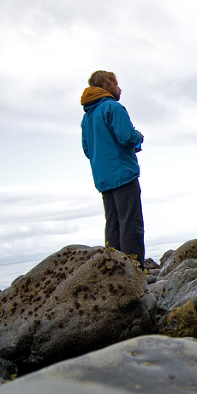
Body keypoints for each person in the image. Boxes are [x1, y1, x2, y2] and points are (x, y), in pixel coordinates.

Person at [80, 70, 145, 266]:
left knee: (113, 224)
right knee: (131, 224)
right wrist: (138, 137)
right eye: (116, 84)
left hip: (104, 179)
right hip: (123, 174)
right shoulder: (112, 107)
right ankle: (134, 270)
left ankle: (114, 269)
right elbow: (126, 136)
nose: (120, 88)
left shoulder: (87, 118)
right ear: (108, 85)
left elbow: (87, 149)